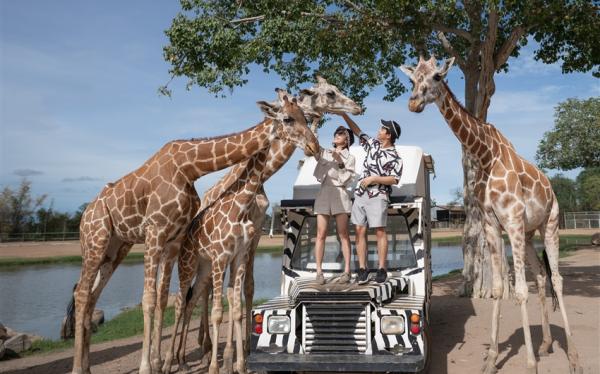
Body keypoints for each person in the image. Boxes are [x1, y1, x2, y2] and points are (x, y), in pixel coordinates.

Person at [340, 113, 403, 284]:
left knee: (380, 231)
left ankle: (382, 269)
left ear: (389, 135)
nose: (379, 129)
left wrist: (374, 179)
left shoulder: (396, 157)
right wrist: (342, 114)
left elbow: (395, 179)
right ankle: (362, 268)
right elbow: (357, 130)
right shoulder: (372, 144)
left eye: (383, 128)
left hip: (379, 195)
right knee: (359, 231)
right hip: (360, 194)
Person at [312, 126, 356, 284]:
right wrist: (314, 126)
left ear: (347, 140)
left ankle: (347, 271)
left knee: (343, 234)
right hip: (324, 193)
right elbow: (312, 146)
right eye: (336, 133)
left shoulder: (350, 158)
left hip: (340, 194)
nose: (337, 135)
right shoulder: (325, 152)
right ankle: (319, 272)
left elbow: (346, 179)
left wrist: (339, 162)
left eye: (341, 134)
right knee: (320, 233)